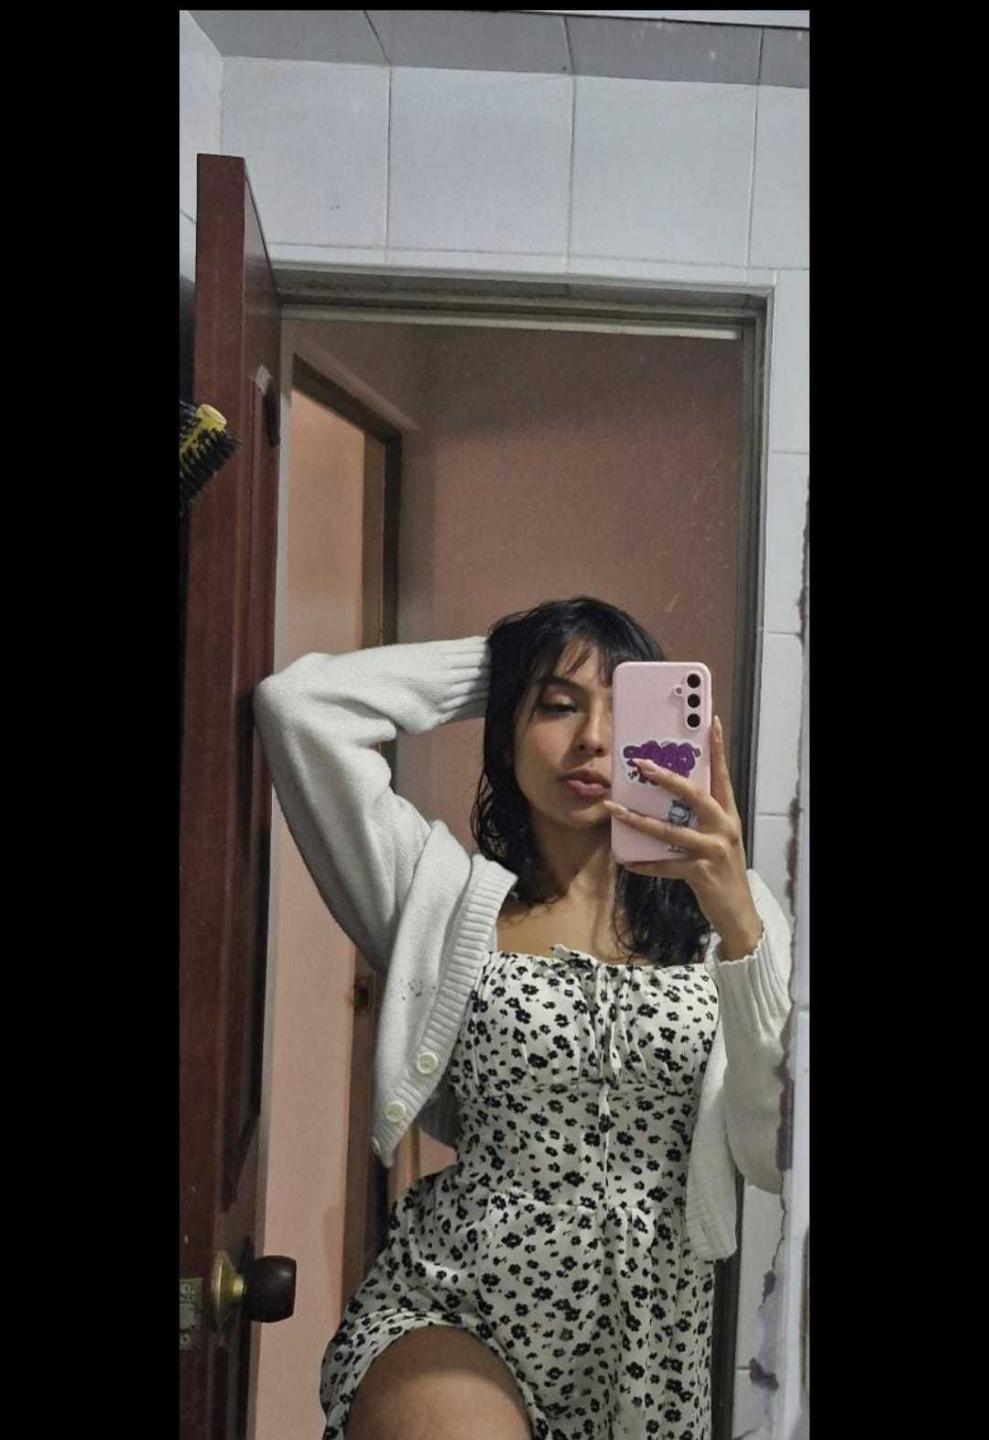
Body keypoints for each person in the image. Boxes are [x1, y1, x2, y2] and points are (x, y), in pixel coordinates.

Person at [252, 595, 793, 1440]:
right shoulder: (440, 896)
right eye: (556, 707)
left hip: (649, 1361)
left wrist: (737, 925)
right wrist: (513, 662)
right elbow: (300, 707)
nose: (593, 740)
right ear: (505, 733)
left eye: (625, 709)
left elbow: (772, 1154)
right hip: (454, 1308)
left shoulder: (734, 917)